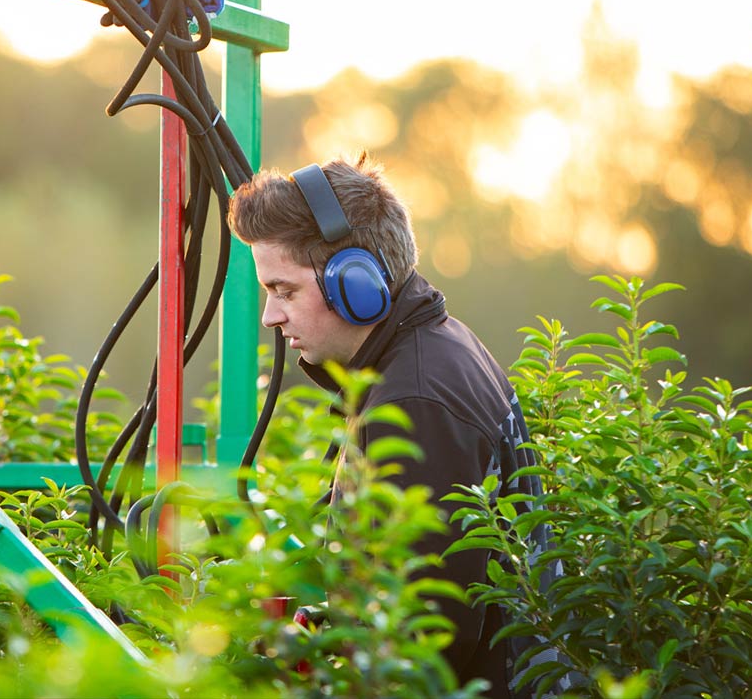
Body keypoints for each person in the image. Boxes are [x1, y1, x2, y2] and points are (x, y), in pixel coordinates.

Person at [227, 154, 578, 698]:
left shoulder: (415, 399)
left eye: (285, 290)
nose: (272, 316)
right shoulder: (435, 349)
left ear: (356, 283)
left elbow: (418, 647)